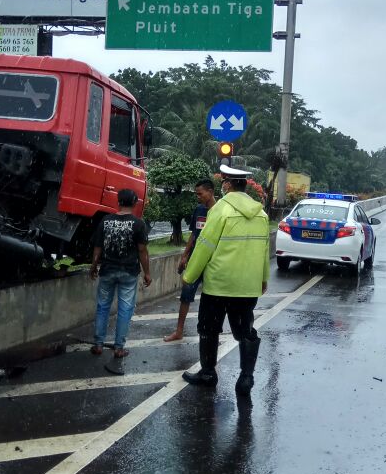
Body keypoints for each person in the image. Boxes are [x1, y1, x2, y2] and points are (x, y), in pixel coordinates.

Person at [181, 163, 270, 397]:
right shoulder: (261, 214)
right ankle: (246, 377)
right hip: (248, 286)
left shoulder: (220, 210)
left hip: (219, 284)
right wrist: (262, 279)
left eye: (224, 182)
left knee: (209, 328)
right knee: (245, 331)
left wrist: (189, 275)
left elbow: (205, 245)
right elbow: (264, 251)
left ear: (228, 184)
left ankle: (208, 374)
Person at [90, 188, 151, 375]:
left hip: (107, 270)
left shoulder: (106, 221)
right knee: (125, 310)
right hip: (128, 273)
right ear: (134, 203)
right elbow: (142, 251)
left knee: (102, 307)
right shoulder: (138, 224)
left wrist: (93, 267)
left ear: (118, 202)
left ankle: (98, 344)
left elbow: (98, 247)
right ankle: (118, 348)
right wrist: (147, 272)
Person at [163, 179, 217, 343]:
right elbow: (194, 235)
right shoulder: (199, 210)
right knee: (186, 294)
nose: (198, 197)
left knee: (213, 299)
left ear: (211, 192)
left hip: (214, 262)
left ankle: (211, 334)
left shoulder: (221, 212)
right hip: (195, 260)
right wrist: (185, 256)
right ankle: (179, 331)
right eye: (196, 194)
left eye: (200, 194)